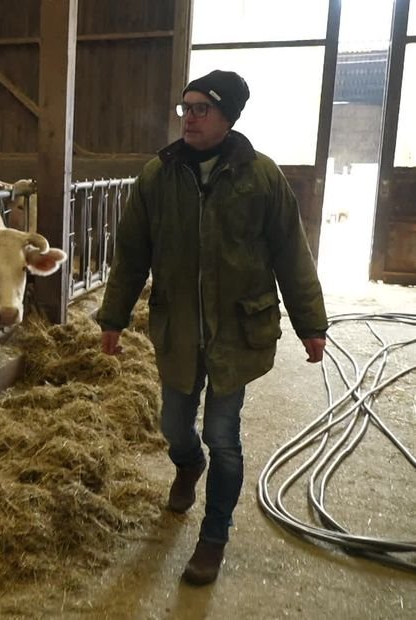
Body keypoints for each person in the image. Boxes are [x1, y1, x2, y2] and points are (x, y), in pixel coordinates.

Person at [95, 69, 328, 586]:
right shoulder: (158, 176)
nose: (190, 118)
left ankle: (213, 537)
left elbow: (292, 254)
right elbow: (131, 254)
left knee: (224, 436)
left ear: (228, 117)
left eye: (202, 108)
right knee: (174, 426)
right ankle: (186, 463)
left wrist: (310, 323)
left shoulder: (261, 177)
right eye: (187, 107)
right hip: (178, 327)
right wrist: (113, 317)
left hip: (237, 332)